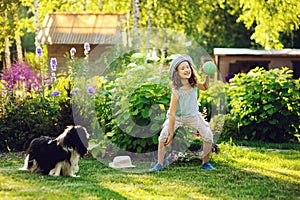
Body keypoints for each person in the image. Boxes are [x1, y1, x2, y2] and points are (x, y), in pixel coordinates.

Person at [150, 54, 215, 171]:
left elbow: (205, 87)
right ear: (177, 73)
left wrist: (207, 76)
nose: (186, 70)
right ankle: (159, 164)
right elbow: (172, 113)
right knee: (163, 137)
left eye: (188, 67)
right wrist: (171, 134)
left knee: (208, 136)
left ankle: (205, 163)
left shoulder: (194, 83)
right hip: (177, 117)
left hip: (193, 116)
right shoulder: (176, 90)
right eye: (182, 68)